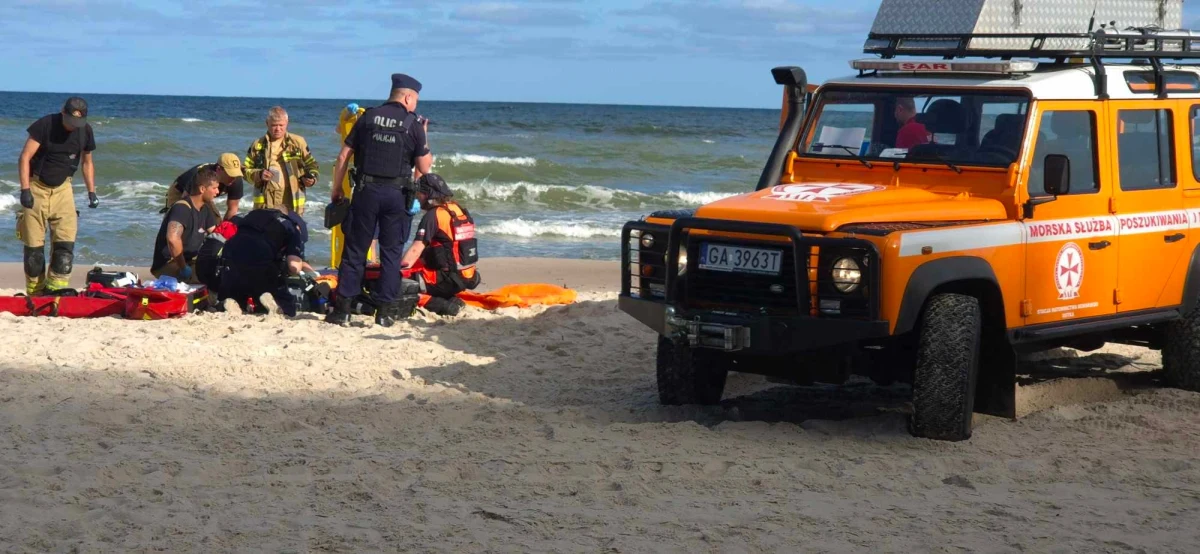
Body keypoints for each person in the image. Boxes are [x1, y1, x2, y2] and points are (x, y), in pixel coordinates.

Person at [325, 73, 432, 327]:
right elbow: (424, 168)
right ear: (408, 98)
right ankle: (384, 313)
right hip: (396, 196)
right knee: (391, 253)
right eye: (415, 100)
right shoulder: (413, 124)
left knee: (355, 250)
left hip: (366, 192)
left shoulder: (369, 117)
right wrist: (424, 136)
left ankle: (343, 310)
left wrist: (337, 189)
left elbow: (343, 157)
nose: (415, 105)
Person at [16, 97, 99, 295]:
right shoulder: (45, 125)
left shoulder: (85, 131)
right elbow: (25, 157)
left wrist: (92, 192)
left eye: (77, 122)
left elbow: (87, 162)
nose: (73, 126)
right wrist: (25, 190)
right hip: (37, 187)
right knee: (34, 252)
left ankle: (56, 292)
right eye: (70, 121)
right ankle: (35, 293)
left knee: (65, 249)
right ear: (63, 112)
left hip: (63, 190)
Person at [401, 174, 480, 316]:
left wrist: (396, 272)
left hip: (448, 278)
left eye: (419, 194)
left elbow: (415, 250)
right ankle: (452, 299)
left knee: (402, 285)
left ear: (427, 194)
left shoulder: (433, 215)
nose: (417, 197)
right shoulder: (457, 209)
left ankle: (442, 305)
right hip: (467, 276)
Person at [217, 209, 313, 317]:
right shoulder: (291, 226)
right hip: (261, 266)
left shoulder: (248, 216)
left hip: (230, 265)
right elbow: (294, 267)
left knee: (237, 291)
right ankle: (272, 304)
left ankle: (232, 302)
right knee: (287, 308)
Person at [243, 107, 319, 215]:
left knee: (291, 225)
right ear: (267, 123)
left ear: (287, 123)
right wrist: (259, 174)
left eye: (281, 125)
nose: (278, 129)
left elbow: (312, 164)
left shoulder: (298, 142)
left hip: (292, 199)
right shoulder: (257, 145)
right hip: (265, 201)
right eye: (274, 125)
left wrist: (312, 179)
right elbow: (244, 171)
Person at [150, 166, 221, 281]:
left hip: (189, 261)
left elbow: (217, 235)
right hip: (170, 263)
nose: (217, 192)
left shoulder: (205, 209)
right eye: (214, 188)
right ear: (202, 189)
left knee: (221, 271)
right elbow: (172, 239)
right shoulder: (182, 208)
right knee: (210, 279)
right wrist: (183, 267)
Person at [162, 153, 246, 221]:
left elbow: (233, 208)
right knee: (178, 219)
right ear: (218, 169)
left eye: (236, 174)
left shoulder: (236, 179)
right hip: (181, 191)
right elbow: (186, 200)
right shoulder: (201, 176)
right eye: (231, 174)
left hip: (206, 193)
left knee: (217, 223)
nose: (233, 178)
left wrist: (224, 231)